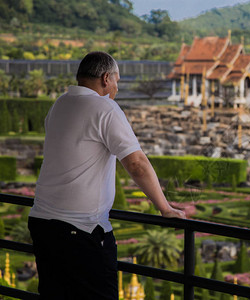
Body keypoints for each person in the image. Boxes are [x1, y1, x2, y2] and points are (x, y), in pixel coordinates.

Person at [28, 51, 185, 300]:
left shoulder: (60, 103)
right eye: (117, 82)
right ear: (105, 78)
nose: (117, 88)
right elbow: (136, 164)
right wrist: (165, 207)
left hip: (42, 223)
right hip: (80, 229)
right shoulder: (105, 107)